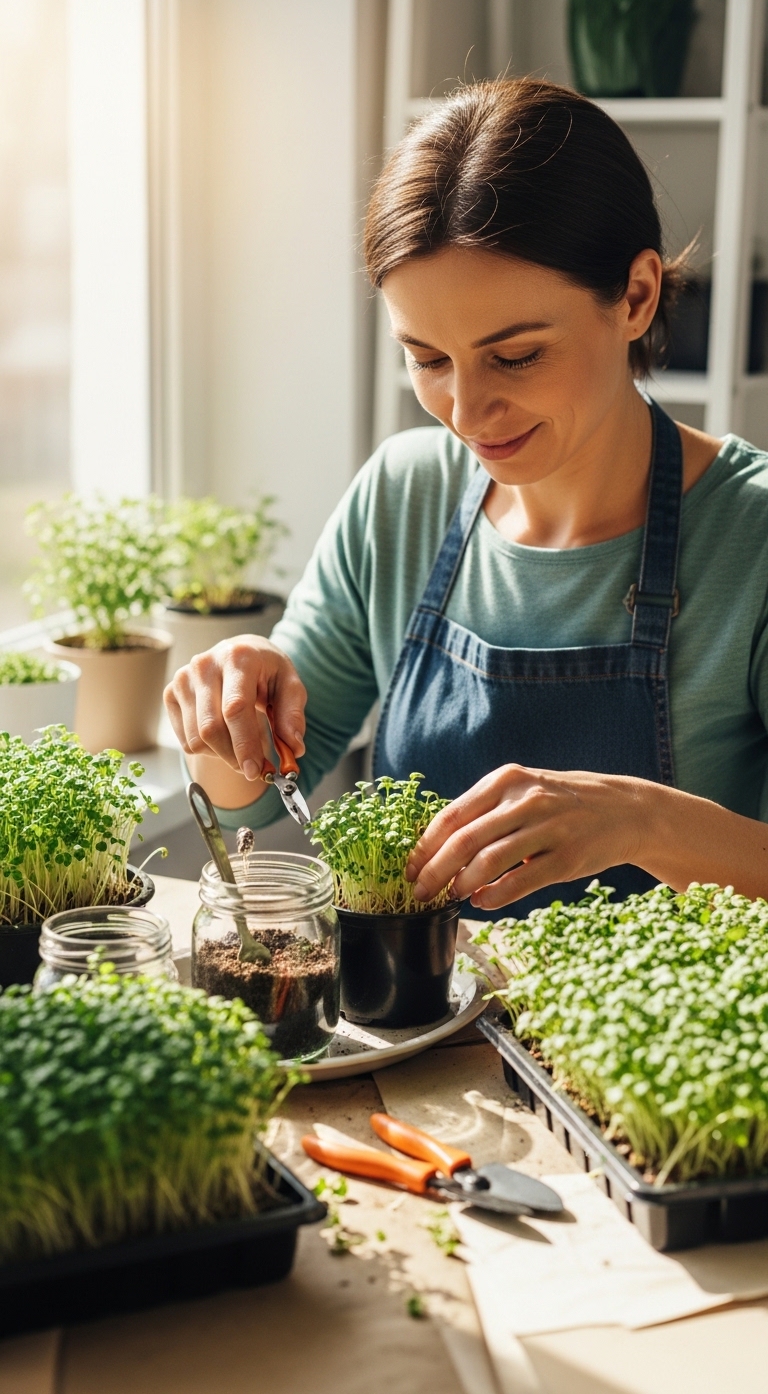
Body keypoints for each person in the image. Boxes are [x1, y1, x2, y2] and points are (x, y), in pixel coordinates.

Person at [165, 77, 768, 920]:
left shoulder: (753, 536)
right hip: (424, 1043)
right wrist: (228, 707)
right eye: (427, 358)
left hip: (640, 1053)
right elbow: (252, 805)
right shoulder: (402, 497)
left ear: (637, 296)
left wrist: (646, 821)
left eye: (516, 356)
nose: (467, 411)